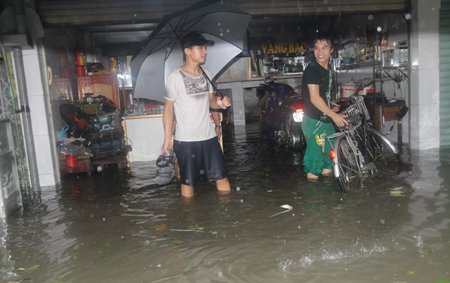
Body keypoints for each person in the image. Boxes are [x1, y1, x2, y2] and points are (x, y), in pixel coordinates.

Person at [161, 31, 231, 197]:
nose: (205, 51)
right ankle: (188, 217)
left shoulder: (206, 73)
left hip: (208, 137)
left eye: (205, 48)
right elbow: (168, 109)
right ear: (187, 51)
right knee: (188, 182)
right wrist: (167, 140)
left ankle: (229, 216)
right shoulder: (174, 77)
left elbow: (211, 102)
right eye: (200, 48)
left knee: (222, 177)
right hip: (186, 140)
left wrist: (220, 104)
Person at [302, 35, 348, 180]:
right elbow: (314, 98)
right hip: (314, 121)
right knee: (315, 162)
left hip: (325, 120)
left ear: (331, 50)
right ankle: (313, 199)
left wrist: (329, 106)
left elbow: (321, 95)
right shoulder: (312, 70)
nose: (320, 52)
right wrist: (334, 116)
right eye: (317, 48)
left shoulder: (326, 68)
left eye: (324, 47)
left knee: (330, 159)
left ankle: (327, 197)